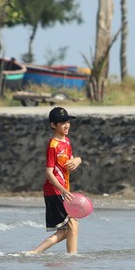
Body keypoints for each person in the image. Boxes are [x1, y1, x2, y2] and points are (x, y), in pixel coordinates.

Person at [30, 106, 83, 254]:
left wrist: (78, 160)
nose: (66, 125)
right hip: (54, 190)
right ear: (53, 125)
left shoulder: (67, 142)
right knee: (72, 225)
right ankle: (72, 257)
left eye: (67, 122)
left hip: (62, 190)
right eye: (62, 123)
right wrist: (63, 190)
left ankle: (33, 253)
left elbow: (71, 162)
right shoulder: (53, 145)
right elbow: (49, 172)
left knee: (68, 229)